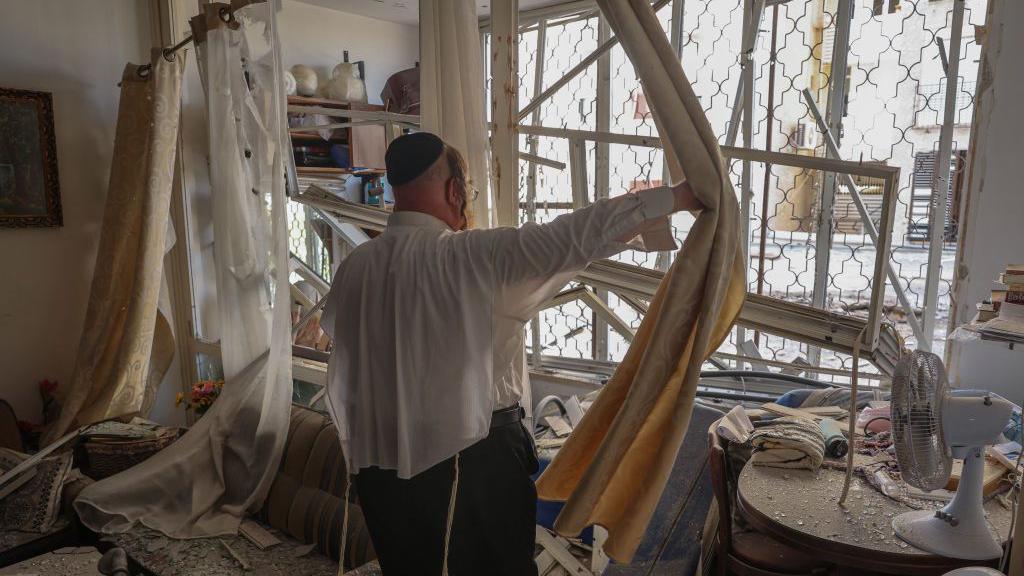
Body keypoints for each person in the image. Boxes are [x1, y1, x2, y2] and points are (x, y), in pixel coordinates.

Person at [322, 132, 702, 575]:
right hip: (472, 461)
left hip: (380, 461)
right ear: (455, 191)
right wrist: (676, 198)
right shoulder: (473, 258)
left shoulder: (355, 268)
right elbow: (575, 234)